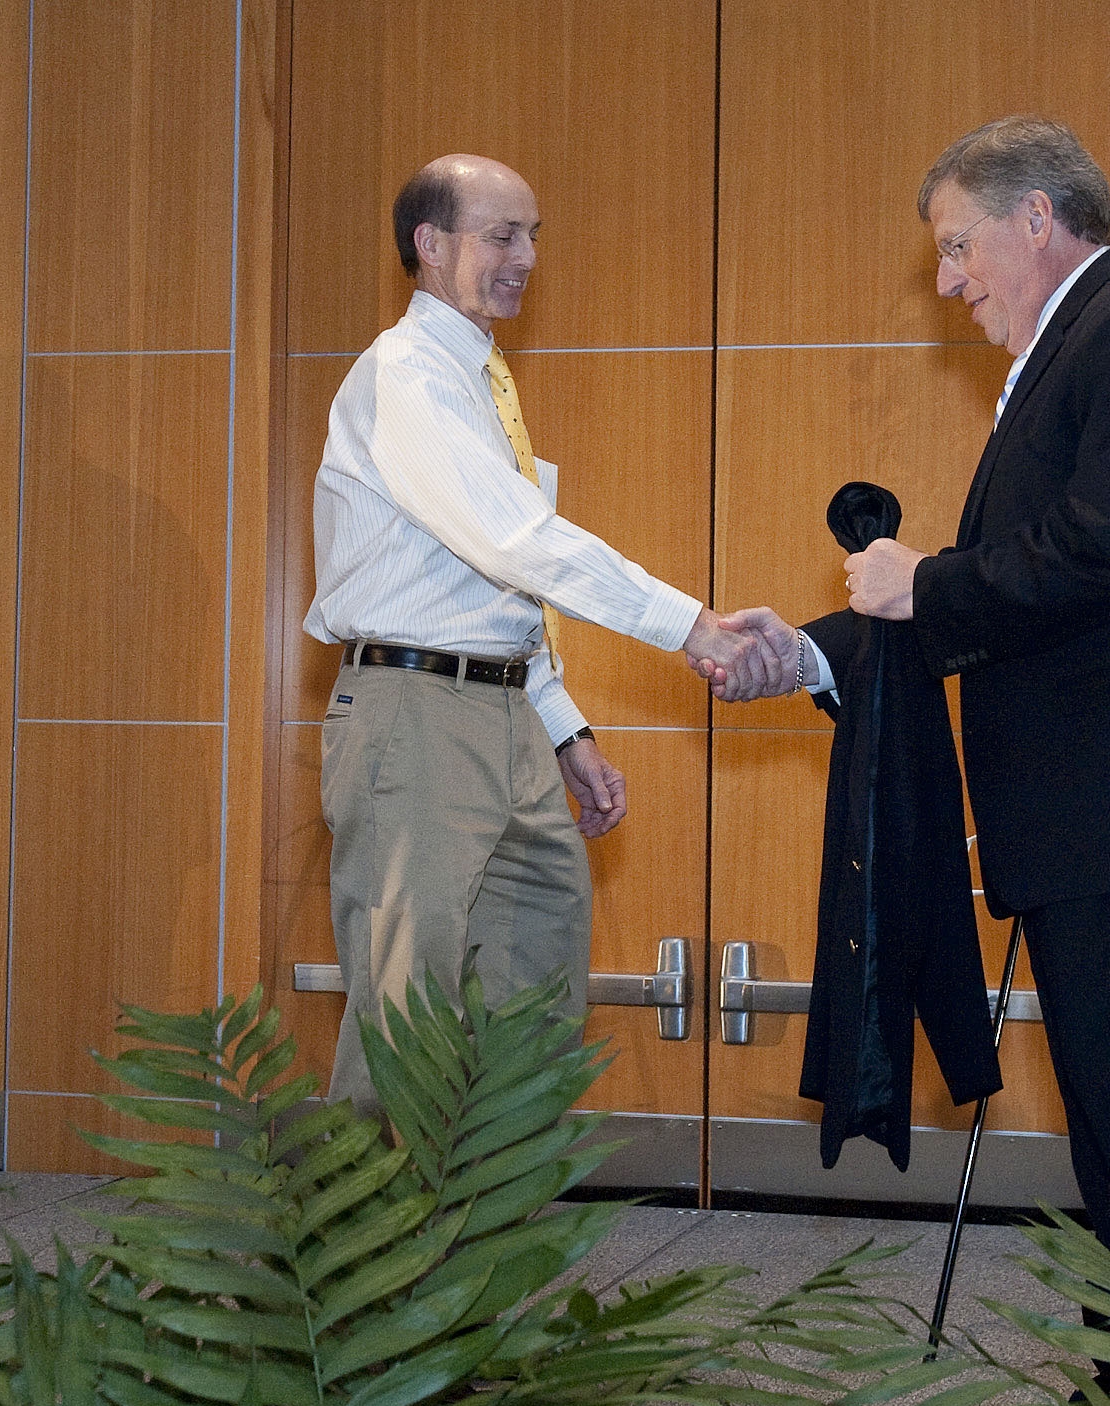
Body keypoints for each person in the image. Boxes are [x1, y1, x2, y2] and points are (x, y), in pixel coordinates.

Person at [718, 116, 1110, 1260]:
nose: (945, 283)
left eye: (955, 246)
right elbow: (1021, 592)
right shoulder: (1083, 349)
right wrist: (814, 646)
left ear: (1037, 217)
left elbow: (1099, 554)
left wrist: (924, 581)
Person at [305, 153, 773, 1110]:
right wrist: (688, 625)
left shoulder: (482, 382)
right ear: (430, 247)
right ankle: (358, 1255)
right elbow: (515, 540)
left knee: (535, 994)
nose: (525, 257)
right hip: (413, 717)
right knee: (410, 1012)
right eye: (501, 235)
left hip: (505, 711)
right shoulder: (408, 375)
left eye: (533, 236)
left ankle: (491, 1243)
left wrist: (562, 726)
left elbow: (491, 584)